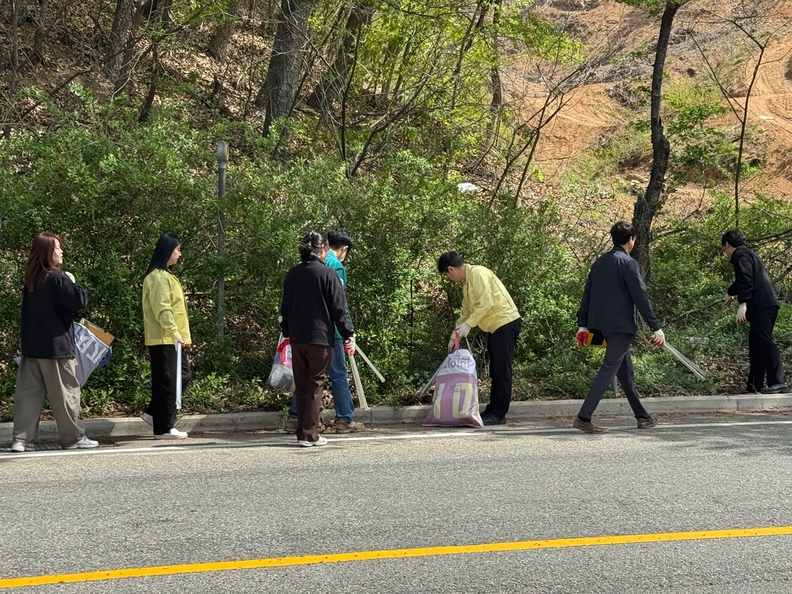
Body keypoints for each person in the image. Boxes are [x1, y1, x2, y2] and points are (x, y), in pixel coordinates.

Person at [11, 232, 98, 452]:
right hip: (56, 347)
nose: (61, 251)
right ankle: (73, 438)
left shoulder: (32, 278)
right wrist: (72, 281)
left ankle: (22, 439)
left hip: (32, 347)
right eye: (57, 247)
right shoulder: (58, 277)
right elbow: (78, 301)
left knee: (28, 396)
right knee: (65, 395)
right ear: (48, 252)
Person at [574, 221, 664, 433]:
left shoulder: (599, 263)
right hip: (620, 327)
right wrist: (656, 327)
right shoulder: (629, 264)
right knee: (608, 369)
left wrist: (583, 324)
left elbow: (587, 295)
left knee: (624, 372)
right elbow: (641, 297)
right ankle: (583, 417)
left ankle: (642, 417)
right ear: (631, 240)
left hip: (600, 326)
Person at [281, 232, 355, 447]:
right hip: (320, 338)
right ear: (322, 249)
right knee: (316, 385)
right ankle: (310, 434)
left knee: (302, 384)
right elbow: (339, 309)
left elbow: (286, 308)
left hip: (297, 337)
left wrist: (286, 330)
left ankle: (301, 433)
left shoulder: (292, 274)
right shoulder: (328, 274)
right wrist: (348, 333)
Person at [437, 251, 522, 426]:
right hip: (495, 326)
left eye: (446, 275)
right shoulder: (467, 283)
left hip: (505, 322)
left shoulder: (478, 273)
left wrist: (469, 325)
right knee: (495, 371)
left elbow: (486, 303)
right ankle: (492, 409)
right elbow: (466, 311)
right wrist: (455, 336)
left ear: (451, 269)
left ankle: (499, 414)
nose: (449, 278)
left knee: (502, 371)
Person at [722, 229, 788, 394]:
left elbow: (745, 279)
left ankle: (779, 382)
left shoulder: (740, 256)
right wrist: (731, 291)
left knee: (764, 342)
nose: (726, 252)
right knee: (756, 344)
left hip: (762, 305)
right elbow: (743, 280)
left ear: (728, 245)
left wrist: (742, 303)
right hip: (766, 304)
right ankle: (754, 385)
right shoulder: (748, 254)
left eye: (724, 248)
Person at [141, 233, 192, 440]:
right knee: (168, 382)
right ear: (167, 251)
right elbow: (163, 309)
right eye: (177, 250)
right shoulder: (158, 278)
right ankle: (163, 428)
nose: (179, 254)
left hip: (172, 338)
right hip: (164, 338)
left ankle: (154, 413)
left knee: (182, 376)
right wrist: (174, 333)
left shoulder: (167, 276)